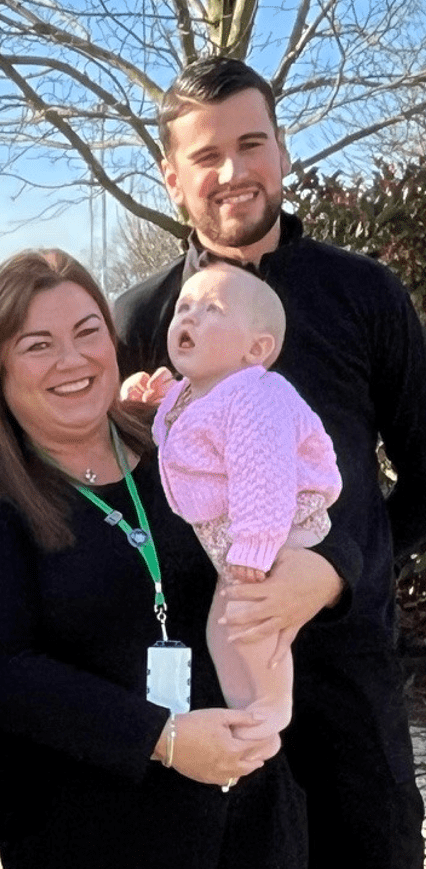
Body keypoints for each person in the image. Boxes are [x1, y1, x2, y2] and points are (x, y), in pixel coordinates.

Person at [115, 56, 426, 868]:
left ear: (282, 153)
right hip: (211, 690)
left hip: (351, 687)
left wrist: (338, 569)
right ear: (171, 177)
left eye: (252, 145)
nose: (233, 173)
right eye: (206, 157)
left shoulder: (366, 294)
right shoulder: (141, 320)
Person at [0, 248, 306, 869]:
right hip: (92, 829)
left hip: (247, 817)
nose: (72, 360)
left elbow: (294, 498)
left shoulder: (178, 444)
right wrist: (164, 738)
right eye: (37, 345)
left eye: (87, 332)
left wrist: (315, 576)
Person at [154, 263, 342, 741]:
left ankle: (271, 711)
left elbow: (265, 478)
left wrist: (254, 550)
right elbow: (181, 433)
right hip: (232, 533)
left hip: (273, 526)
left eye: (211, 309)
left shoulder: (256, 397)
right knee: (227, 629)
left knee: (255, 623)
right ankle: (246, 709)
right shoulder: (192, 392)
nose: (189, 318)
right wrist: (155, 396)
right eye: (184, 307)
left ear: (256, 350)